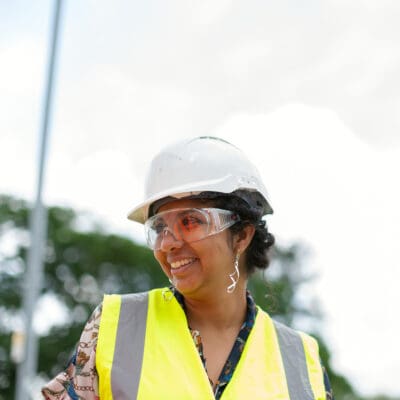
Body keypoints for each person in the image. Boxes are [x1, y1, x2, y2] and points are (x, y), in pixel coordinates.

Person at [42, 136, 334, 399]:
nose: (167, 243)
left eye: (190, 221)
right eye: (158, 227)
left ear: (242, 235)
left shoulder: (301, 362)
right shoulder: (115, 328)